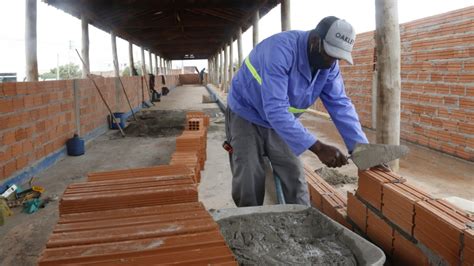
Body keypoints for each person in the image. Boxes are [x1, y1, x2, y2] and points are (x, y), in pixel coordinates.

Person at [225, 16, 369, 207]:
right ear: (315, 41)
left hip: (280, 121)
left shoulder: (328, 65)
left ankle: (303, 222)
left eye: (338, 57)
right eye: (330, 54)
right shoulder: (280, 50)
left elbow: (340, 104)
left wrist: (361, 149)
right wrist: (318, 147)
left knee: (295, 177)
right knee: (249, 179)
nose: (332, 62)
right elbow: (275, 109)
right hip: (246, 113)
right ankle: (248, 224)